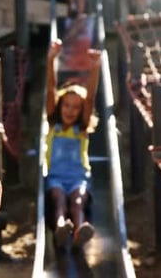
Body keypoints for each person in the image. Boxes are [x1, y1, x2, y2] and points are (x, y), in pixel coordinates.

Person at [45, 38, 101, 249]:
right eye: (66, 105)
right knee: (59, 199)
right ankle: (61, 227)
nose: (70, 110)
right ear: (60, 106)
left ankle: (80, 230)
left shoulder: (82, 130)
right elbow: (51, 90)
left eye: (75, 108)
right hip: (56, 177)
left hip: (78, 177)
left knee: (77, 201)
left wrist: (95, 68)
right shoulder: (54, 125)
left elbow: (90, 99)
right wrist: (51, 60)